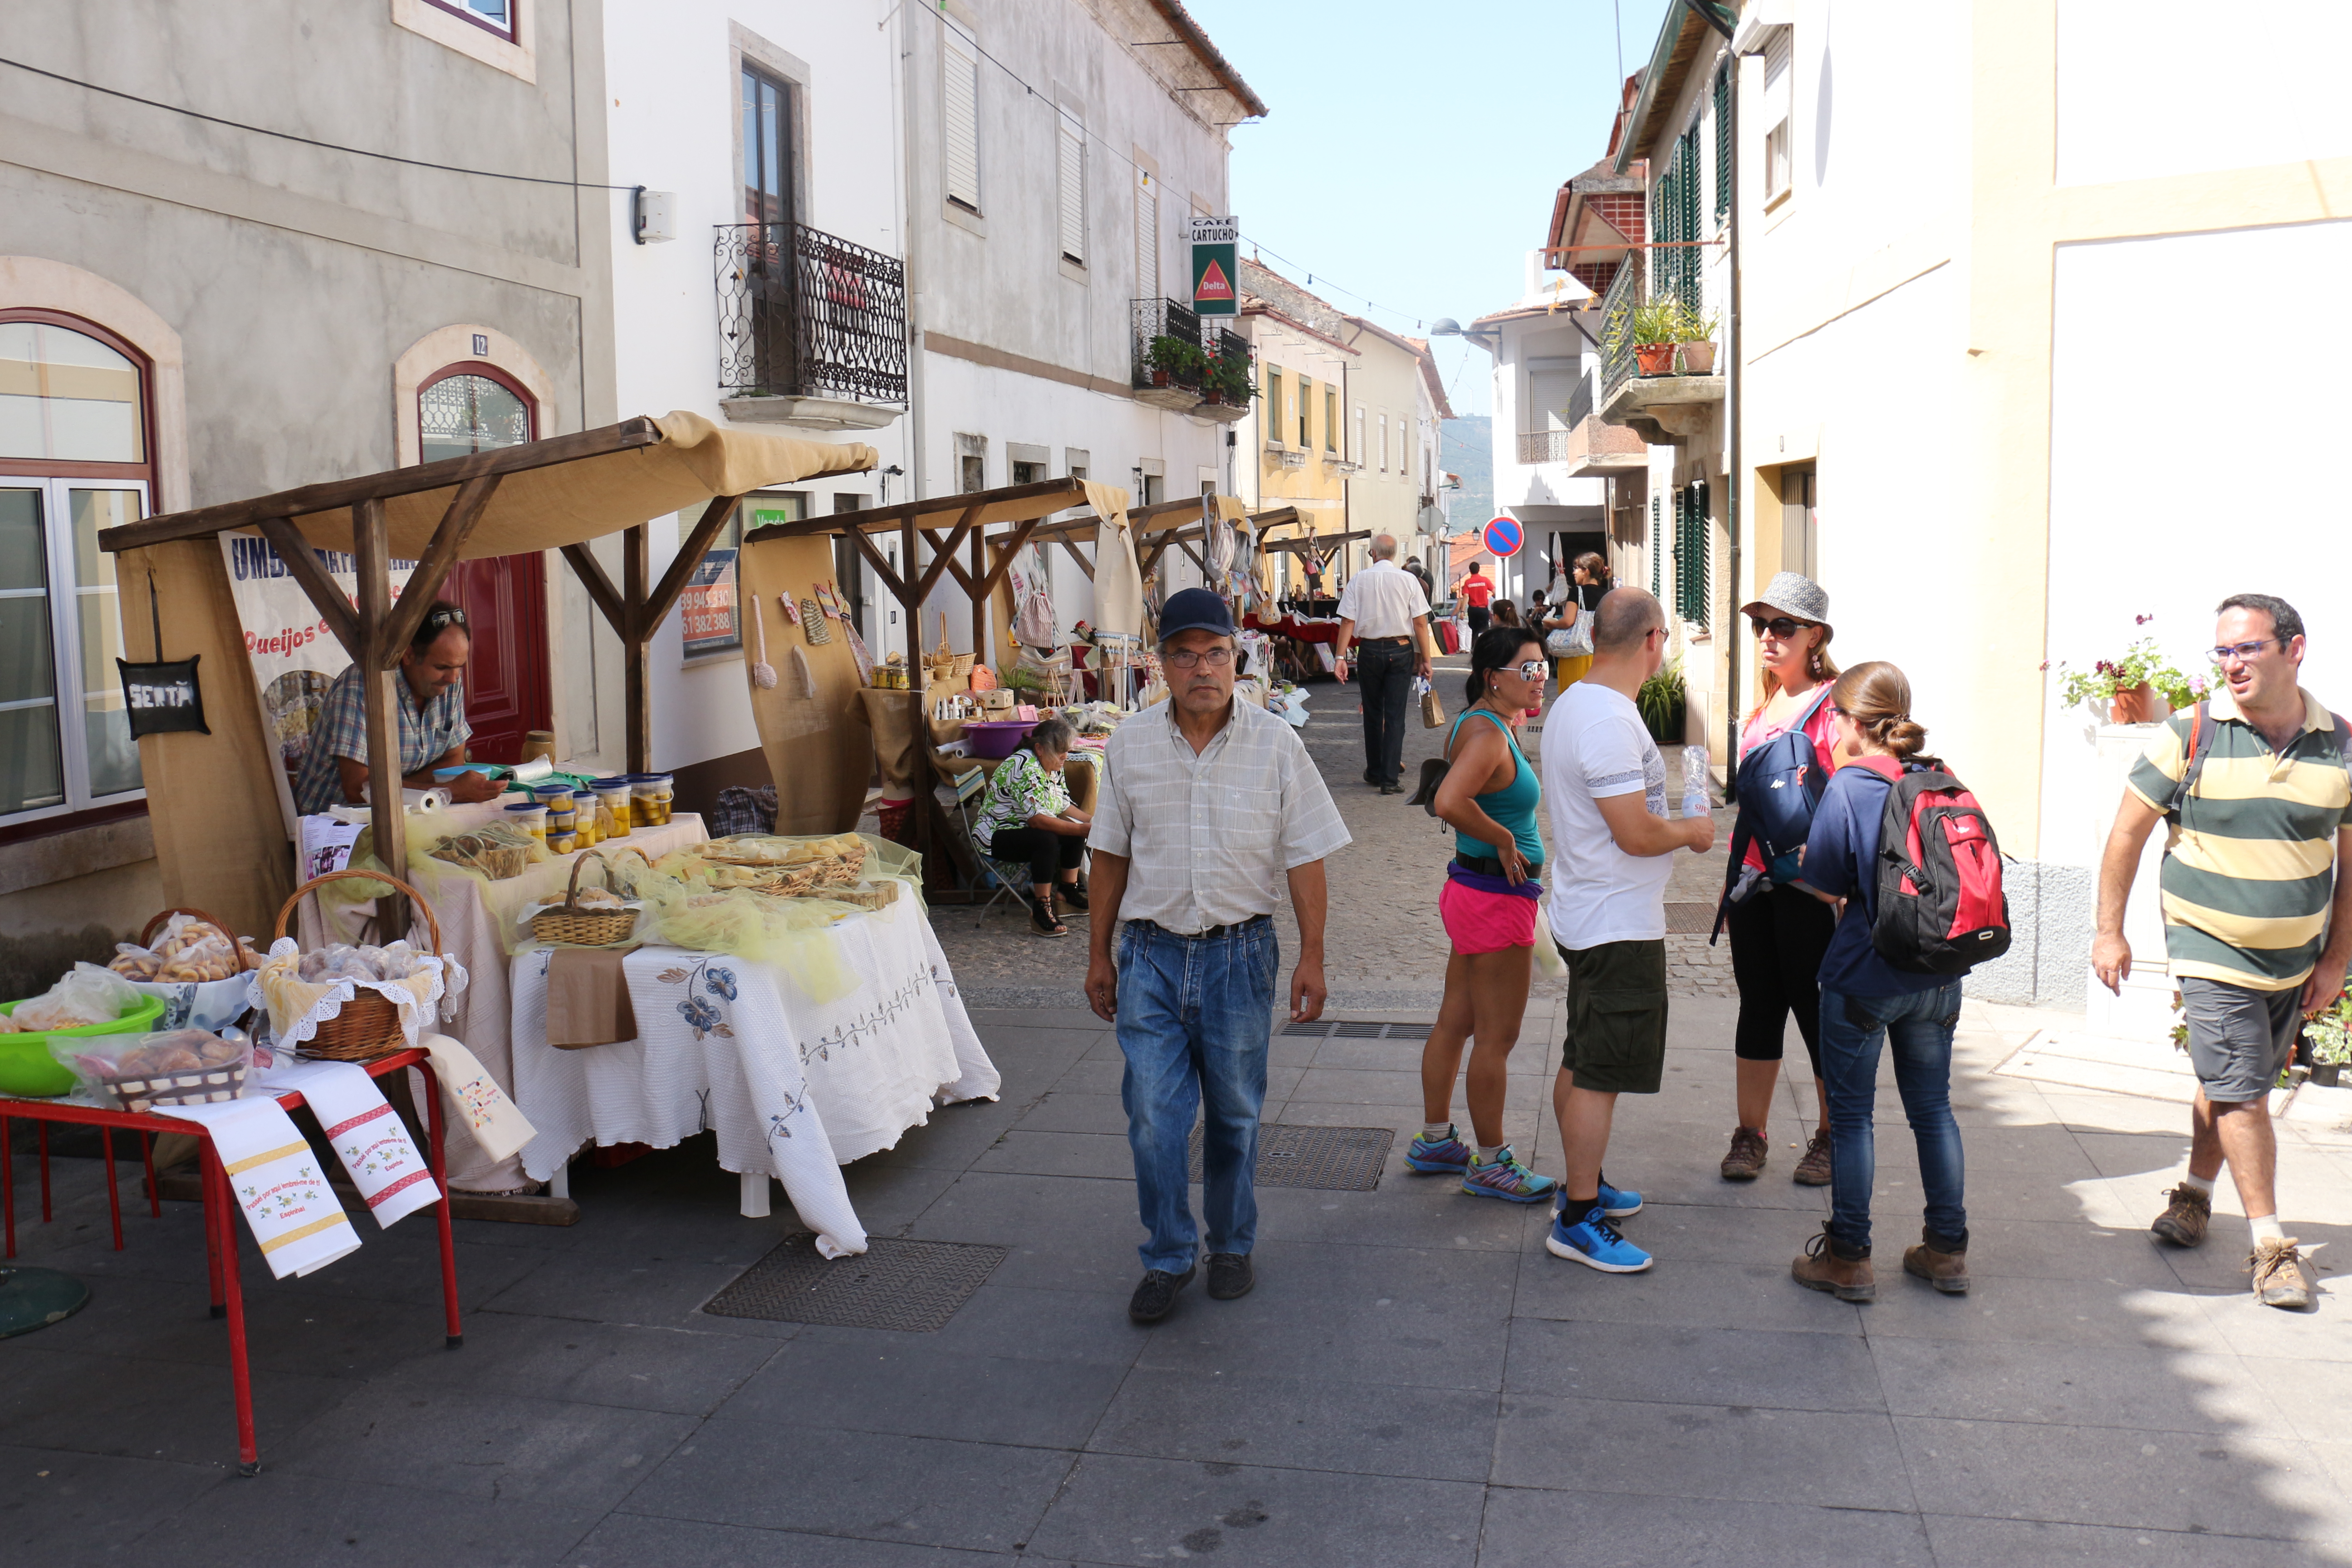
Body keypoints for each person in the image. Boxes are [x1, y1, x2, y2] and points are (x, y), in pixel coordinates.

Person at [1086, 588, 1352, 1323]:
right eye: (1183, 654)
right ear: (1158, 664)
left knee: (1234, 1114)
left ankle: (1231, 1244)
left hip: (1240, 956)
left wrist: (1313, 957)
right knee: (1151, 1115)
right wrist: (1098, 955)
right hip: (1149, 956)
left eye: (1213, 653)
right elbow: (1108, 854)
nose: (1200, 668)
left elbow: (1305, 857)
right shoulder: (1130, 743)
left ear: (1236, 658)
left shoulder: (1275, 743)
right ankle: (1168, 1255)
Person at [2094, 594, 2351, 1311]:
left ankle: (2195, 1197)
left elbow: (2351, 866)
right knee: (2244, 1089)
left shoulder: (2342, 744)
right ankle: (2272, 1248)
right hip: (2210, 948)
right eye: (2224, 651)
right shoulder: (2193, 732)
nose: (2232, 664)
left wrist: (2336, 959)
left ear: (2294, 650)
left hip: (2294, 959)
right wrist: (2110, 930)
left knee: (2231, 1084)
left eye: (2247, 649)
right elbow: (2126, 834)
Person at [1541, 589, 1715, 1273]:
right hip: (1614, 919)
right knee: (1600, 1071)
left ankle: (1583, 1184)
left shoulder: (1577, 702)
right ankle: (1579, 1216)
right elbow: (1637, 833)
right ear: (1653, 639)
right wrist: (1692, 831)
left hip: (1591, 908)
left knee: (1585, 1055)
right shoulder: (1609, 721)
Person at [1784, 662, 1968, 1303]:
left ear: (1852, 722)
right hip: (1940, 974)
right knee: (1934, 1110)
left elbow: (1828, 883)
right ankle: (1946, 1250)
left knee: (1855, 1120)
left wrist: (1805, 862)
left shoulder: (1853, 784)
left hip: (1865, 972)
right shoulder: (1937, 776)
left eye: (1835, 716)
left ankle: (1849, 1257)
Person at [1408, 626, 1557, 1203]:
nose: (1539, 676)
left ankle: (1437, 1139)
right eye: (1529, 669)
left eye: (1542, 667)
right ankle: (1492, 1163)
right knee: (1497, 1037)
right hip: (1494, 902)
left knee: (1456, 1020)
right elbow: (1447, 802)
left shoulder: (1484, 722)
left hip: (1476, 894)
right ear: (1495, 676)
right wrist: (1500, 836)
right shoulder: (1489, 736)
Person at [1718, 572, 1841, 1185]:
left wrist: (1838, 886)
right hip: (1753, 882)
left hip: (1809, 890)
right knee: (1759, 1006)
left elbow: (1854, 795)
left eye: (1782, 626)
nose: (1767, 637)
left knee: (1816, 1012)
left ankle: (1830, 1135)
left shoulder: (1836, 705)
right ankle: (1751, 1133)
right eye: (1760, 625)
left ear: (1814, 635)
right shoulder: (1765, 705)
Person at [292, 603, 506, 814]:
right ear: (409, 655)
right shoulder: (362, 688)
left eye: (459, 667)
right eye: (441, 667)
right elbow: (359, 790)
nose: (453, 678)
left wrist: (405, 789)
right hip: (335, 824)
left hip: (412, 812)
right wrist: (448, 791)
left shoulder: (449, 683)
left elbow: (454, 759)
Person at [1333, 534, 1435, 796]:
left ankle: (1375, 770)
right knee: (1395, 714)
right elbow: (1420, 623)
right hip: (1400, 650)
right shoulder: (1409, 580)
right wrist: (1426, 658)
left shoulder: (1359, 580)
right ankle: (1389, 779)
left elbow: (1347, 621)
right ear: (1394, 555)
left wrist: (1340, 657)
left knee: (1373, 711)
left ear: (1373, 554)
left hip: (1368, 650)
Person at [972, 716, 1091, 939]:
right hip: (996, 833)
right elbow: (1037, 820)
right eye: (1060, 751)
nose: (1065, 756)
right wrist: (1083, 829)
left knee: (1072, 831)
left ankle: (1067, 892)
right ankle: (1041, 909)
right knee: (1047, 839)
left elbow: (1063, 803)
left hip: (1022, 827)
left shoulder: (1053, 764)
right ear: (1039, 749)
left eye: (1066, 751)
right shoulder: (1023, 767)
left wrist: (1090, 821)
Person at [1542, 553, 1609, 689]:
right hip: (1597, 655)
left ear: (1586, 571)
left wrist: (1550, 623)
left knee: (1572, 697)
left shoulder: (1577, 592)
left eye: (1577, 568)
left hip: (1575, 653)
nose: (1574, 573)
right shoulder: (1607, 595)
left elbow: (1568, 622)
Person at [1459, 560, 1495, 635]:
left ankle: (1475, 645)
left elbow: (1466, 596)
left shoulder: (1468, 582)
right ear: (1479, 570)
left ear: (1470, 570)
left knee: (1474, 630)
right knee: (1485, 629)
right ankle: (1485, 644)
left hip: (1473, 610)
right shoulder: (1485, 580)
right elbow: (1495, 592)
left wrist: (1462, 611)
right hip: (1484, 609)